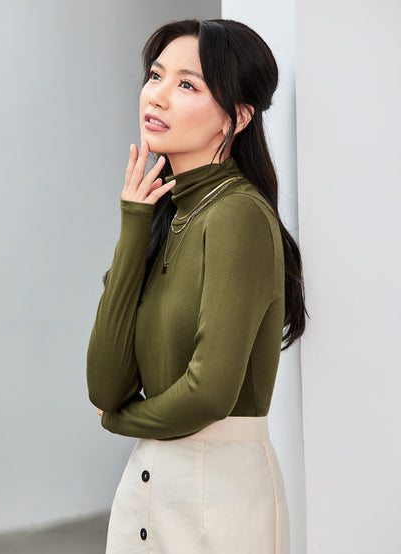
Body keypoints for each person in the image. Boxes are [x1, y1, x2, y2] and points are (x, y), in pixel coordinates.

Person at [86, 18, 306, 554]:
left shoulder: (237, 215)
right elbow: (105, 385)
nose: (157, 96)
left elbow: (210, 391)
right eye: (155, 75)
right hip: (145, 488)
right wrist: (134, 223)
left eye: (187, 84)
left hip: (220, 500)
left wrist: (120, 420)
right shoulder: (168, 216)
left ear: (238, 116)